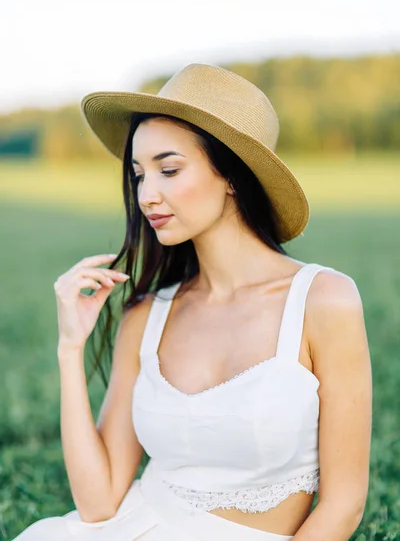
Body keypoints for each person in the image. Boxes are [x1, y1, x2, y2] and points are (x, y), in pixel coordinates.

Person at [13, 63, 372, 540]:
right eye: (139, 174)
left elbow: (344, 504)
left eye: (169, 169)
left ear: (231, 175)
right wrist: (69, 348)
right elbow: (97, 504)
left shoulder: (324, 300)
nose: (146, 195)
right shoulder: (147, 315)